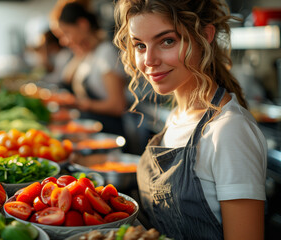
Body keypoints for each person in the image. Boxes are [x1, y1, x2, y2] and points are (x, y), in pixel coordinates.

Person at [113, 0, 267, 239]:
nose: (149, 60)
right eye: (140, 45)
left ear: (204, 36)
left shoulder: (229, 131)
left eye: (167, 41)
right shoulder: (178, 116)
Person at [53, 1, 129, 138]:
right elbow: (66, 78)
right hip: (95, 132)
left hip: (109, 134)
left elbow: (117, 106)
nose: (63, 41)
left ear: (82, 25)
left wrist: (84, 104)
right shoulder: (89, 53)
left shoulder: (105, 53)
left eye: (66, 33)